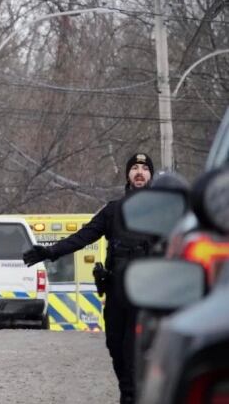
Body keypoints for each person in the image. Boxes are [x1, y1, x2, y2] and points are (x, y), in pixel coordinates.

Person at [22, 153, 155, 404]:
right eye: (135, 168)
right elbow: (82, 237)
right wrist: (49, 252)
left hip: (146, 293)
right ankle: (129, 392)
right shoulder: (113, 211)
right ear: (128, 174)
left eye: (145, 168)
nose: (139, 172)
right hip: (117, 291)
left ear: (151, 175)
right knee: (115, 345)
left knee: (132, 349)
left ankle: (132, 396)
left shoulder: (160, 212)